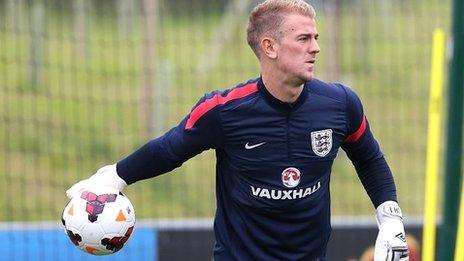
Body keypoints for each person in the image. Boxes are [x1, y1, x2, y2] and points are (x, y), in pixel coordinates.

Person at [66, 0, 409, 260]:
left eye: (316, 37)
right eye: (303, 38)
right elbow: (169, 150)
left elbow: (370, 159)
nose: (315, 47)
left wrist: (390, 219)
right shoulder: (223, 111)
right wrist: (113, 177)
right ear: (270, 47)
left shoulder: (340, 103)